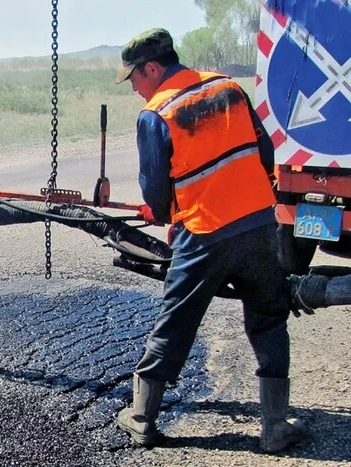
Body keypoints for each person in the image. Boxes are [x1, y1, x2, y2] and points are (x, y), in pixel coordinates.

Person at [113, 28, 306, 453]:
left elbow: (154, 189)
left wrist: (164, 214)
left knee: (176, 320)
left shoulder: (156, 113)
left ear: (151, 68)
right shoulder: (229, 87)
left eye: (135, 80)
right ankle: (275, 427)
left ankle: (142, 417)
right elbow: (265, 153)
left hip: (203, 232)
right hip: (259, 226)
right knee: (270, 316)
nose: (135, 90)